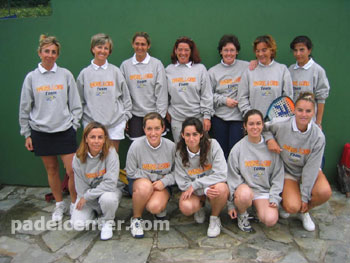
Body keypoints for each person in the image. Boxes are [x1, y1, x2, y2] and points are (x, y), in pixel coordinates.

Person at [19, 34, 82, 222]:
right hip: (41, 132)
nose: (50, 55)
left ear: (57, 55)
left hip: (64, 130)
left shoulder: (66, 75)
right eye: (46, 51)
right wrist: (27, 133)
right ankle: (59, 205)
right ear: (40, 53)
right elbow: (25, 107)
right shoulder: (31, 78)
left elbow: (76, 105)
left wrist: (74, 126)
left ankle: (74, 203)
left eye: (53, 52)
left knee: (72, 170)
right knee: (52, 170)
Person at [264, 92, 332, 231]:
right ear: (294, 110)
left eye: (308, 111)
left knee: (324, 192)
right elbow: (263, 128)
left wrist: (305, 198)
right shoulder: (281, 124)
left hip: (308, 171)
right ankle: (290, 204)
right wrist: (269, 139)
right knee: (291, 206)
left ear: (314, 112)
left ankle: (305, 211)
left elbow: (311, 168)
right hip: (288, 172)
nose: (304, 114)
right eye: (300, 110)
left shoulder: (318, 136)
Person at [227, 109, 284, 232]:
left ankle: (256, 209)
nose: (255, 127)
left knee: (270, 220)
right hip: (245, 192)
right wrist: (231, 204)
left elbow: (278, 176)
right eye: (251, 124)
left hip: (263, 192)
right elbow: (232, 178)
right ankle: (242, 214)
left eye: (258, 123)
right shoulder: (238, 149)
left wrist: (274, 197)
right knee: (244, 195)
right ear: (245, 126)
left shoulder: (272, 148)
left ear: (263, 125)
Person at [77, 33, 132, 152]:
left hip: (115, 124)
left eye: (106, 48)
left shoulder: (116, 72)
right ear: (93, 49)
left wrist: (125, 118)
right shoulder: (84, 74)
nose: (102, 51)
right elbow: (79, 101)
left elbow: (126, 98)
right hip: (92, 125)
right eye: (99, 47)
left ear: (109, 51)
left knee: (112, 159)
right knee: (95, 160)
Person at [175, 117, 228, 238]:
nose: (191, 138)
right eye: (187, 135)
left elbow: (222, 174)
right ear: (182, 135)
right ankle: (199, 205)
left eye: (195, 134)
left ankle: (214, 218)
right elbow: (183, 183)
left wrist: (197, 185)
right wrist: (203, 190)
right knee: (186, 207)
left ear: (201, 134)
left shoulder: (213, 145)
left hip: (210, 187)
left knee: (222, 189)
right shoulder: (179, 152)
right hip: (196, 190)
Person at [126, 112, 175, 238]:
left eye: (157, 128)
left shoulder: (171, 146)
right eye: (149, 129)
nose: (153, 133)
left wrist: (164, 182)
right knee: (145, 187)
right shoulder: (135, 146)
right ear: (144, 129)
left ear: (163, 128)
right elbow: (131, 172)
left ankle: (157, 204)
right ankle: (136, 219)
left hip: (162, 184)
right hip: (142, 183)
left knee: (154, 207)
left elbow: (177, 172)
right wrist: (153, 178)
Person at [71, 122, 122, 240]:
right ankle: (97, 214)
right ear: (86, 139)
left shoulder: (111, 153)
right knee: (77, 224)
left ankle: (107, 222)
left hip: (108, 192)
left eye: (100, 137)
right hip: (88, 196)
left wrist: (87, 197)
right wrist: (87, 198)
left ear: (105, 139)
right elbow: (81, 189)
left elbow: (110, 183)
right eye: (92, 137)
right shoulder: (78, 158)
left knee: (107, 199)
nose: (96, 141)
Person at [120, 32, 168, 140]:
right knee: (137, 148)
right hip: (135, 116)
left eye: (143, 44)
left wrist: (160, 116)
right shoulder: (125, 66)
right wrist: (126, 116)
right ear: (133, 44)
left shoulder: (156, 64)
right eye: (137, 44)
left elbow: (162, 92)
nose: (140, 47)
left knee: (155, 147)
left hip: (154, 115)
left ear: (148, 46)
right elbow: (123, 93)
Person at [166, 36, 214, 143]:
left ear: (191, 51)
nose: (183, 53)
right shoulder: (168, 70)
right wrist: (166, 111)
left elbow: (207, 94)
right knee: (180, 152)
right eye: (180, 49)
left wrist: (207, 116)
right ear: (175, 51)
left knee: (201, 151)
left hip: (198, 118)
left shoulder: (200, 69)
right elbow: (164, 95)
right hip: (177, 119)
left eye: (186, 50)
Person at [208, 34, 249, 159]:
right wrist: (224, 100)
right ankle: (222, 177)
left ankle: (235, 178)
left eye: (232, 50)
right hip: (219, 118)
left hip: (239, 118)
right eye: (225, 50)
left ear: (237, 51)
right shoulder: (212, 71)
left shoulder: (247, 67)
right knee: (221, 152)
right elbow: (207, 95)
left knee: (235, 152)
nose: (229, 53)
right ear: (221, 51)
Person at [238, 35, 293, 118]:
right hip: (255, 124)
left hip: (278, 124)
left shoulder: (282, 70)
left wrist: (278, 118)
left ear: (272, 50)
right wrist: (251, 116)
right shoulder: (249, 71)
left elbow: (288, 97)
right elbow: (242, 97)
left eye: (264, 50)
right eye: (257, 51)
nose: (260, 54)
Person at [289, 36, 330, 129]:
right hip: (292, 122)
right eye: (295, 50)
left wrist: (318, 122)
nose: (298, 53)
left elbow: (321, 98)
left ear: (309, 50)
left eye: (302, 50)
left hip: (309, 122)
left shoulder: (318, 70)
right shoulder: (290, 70)